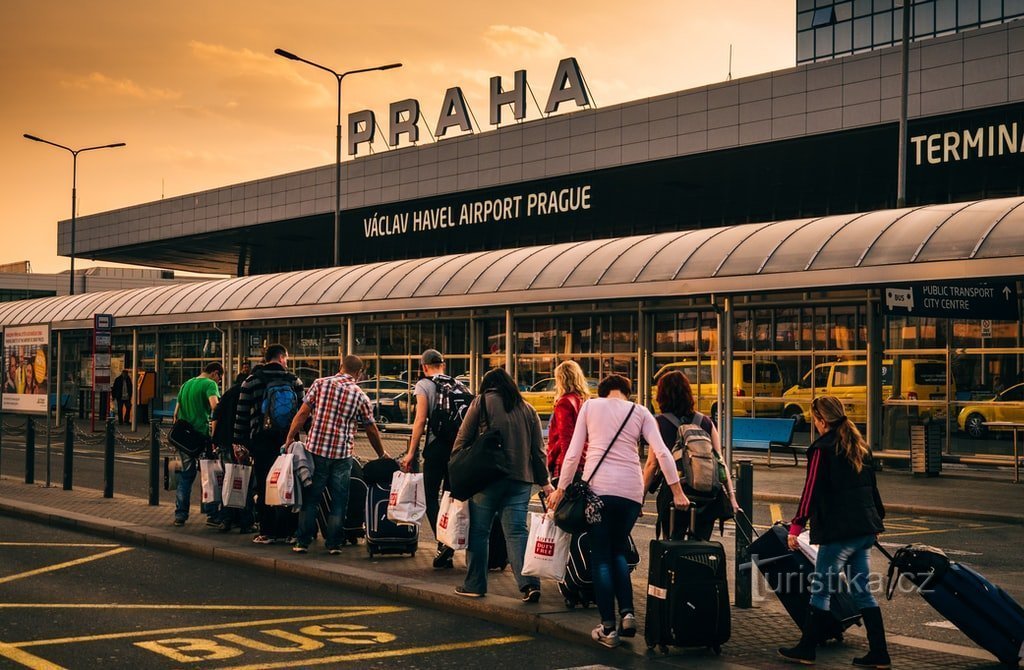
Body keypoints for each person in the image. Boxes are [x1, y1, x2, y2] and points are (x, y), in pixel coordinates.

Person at [547, 374, 688, 649]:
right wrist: (677, 491)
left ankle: (608, 627)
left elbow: (574, 453)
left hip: (598, 493)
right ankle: (628, 613)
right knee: (618, 552)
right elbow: (662, 452)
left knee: (600, 557)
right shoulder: (641, 411)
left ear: (603, 392)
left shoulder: (591, 406)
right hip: (631, 494)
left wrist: (561, 489)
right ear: (627, 392)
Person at [778, 394, 888, 667]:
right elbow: (872, 489)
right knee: (863, 591)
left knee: (820, 591)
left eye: (814, 419)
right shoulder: (860, 446)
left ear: (821, 420)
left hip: (838, 532)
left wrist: (796, 526)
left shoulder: (822, 448)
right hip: (862, 530)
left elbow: (810, 490)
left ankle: (806, 649)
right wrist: (876, 522)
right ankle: (879, 653)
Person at [451, 367, 552, 601]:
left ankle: (475, 584)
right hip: (521, 481)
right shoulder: (528, 409)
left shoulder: (481, 402)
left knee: (479, 532)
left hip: (488, 479)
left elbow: (462, 440)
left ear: (488, 385)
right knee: (516, 532)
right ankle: (529, 585)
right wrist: (544, 482)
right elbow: (538, 452)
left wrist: (459, 466)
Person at [285, 354, 388, 554]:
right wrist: (382, 453)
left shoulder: (320, 384)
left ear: (341, 366)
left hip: (316, 451)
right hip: (342, 454)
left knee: (312, 497)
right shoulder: (360, 396)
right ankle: (333, 543)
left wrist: (290, 437)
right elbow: (371, 429)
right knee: (340, 499)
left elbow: (302, 413)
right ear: (359, 373)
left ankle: (302, 541)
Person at [643, 370, 740, 541]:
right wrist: (732, 497)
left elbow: (652, 465)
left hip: (674, 494)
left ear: (662, 395)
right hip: (707, 495)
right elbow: (719, 461)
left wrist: (640, 498)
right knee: (700, 546)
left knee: (672, 543)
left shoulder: (659, 423)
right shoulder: (706, 422)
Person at [233, 344, 304, 545]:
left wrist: (239, 443)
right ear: (282, 357)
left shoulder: (251, 381)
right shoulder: (294, 380)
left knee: (266, 484)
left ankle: (268, 531)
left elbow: (242, 414)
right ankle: (290, 531)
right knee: (289, 483)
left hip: (261, 441)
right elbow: (303, 412)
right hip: (288, 441)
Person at [400, 349, 464, 570]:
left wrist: (411, 452)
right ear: (443, 365)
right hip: (456, 450)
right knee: (450, 499)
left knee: (430, 497)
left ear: (424, 366)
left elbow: (420, 421)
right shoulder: (457, 384)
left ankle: (443, 542)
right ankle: (448, 545)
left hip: (436, 449)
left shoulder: (423, 385)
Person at [171, 362, 224, 527]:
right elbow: (215, 407)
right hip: (201, 437)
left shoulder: (186, 384)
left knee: (186, 477)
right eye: (220, 378)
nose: (219, 382)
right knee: (208, 476)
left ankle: (180, 515)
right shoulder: (210, 384)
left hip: (184, 439)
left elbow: (176, 413)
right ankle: (212, 514)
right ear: (215, 373)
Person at [210, 368, 253, 533]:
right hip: (241, 443)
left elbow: (216, 415)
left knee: (228, 481)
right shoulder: (248, 393)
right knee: (245, 482)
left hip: (224, 441)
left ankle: (226, 519)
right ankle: (245, 521)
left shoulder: (228, 393)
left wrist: (214, 440)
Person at [546, 360, 590, 485]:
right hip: (583, 457)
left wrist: (567, 469)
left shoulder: (564, 402)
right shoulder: (583, 401)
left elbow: (566, 438)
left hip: (564, 460)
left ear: (561, 379)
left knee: (562, 502)